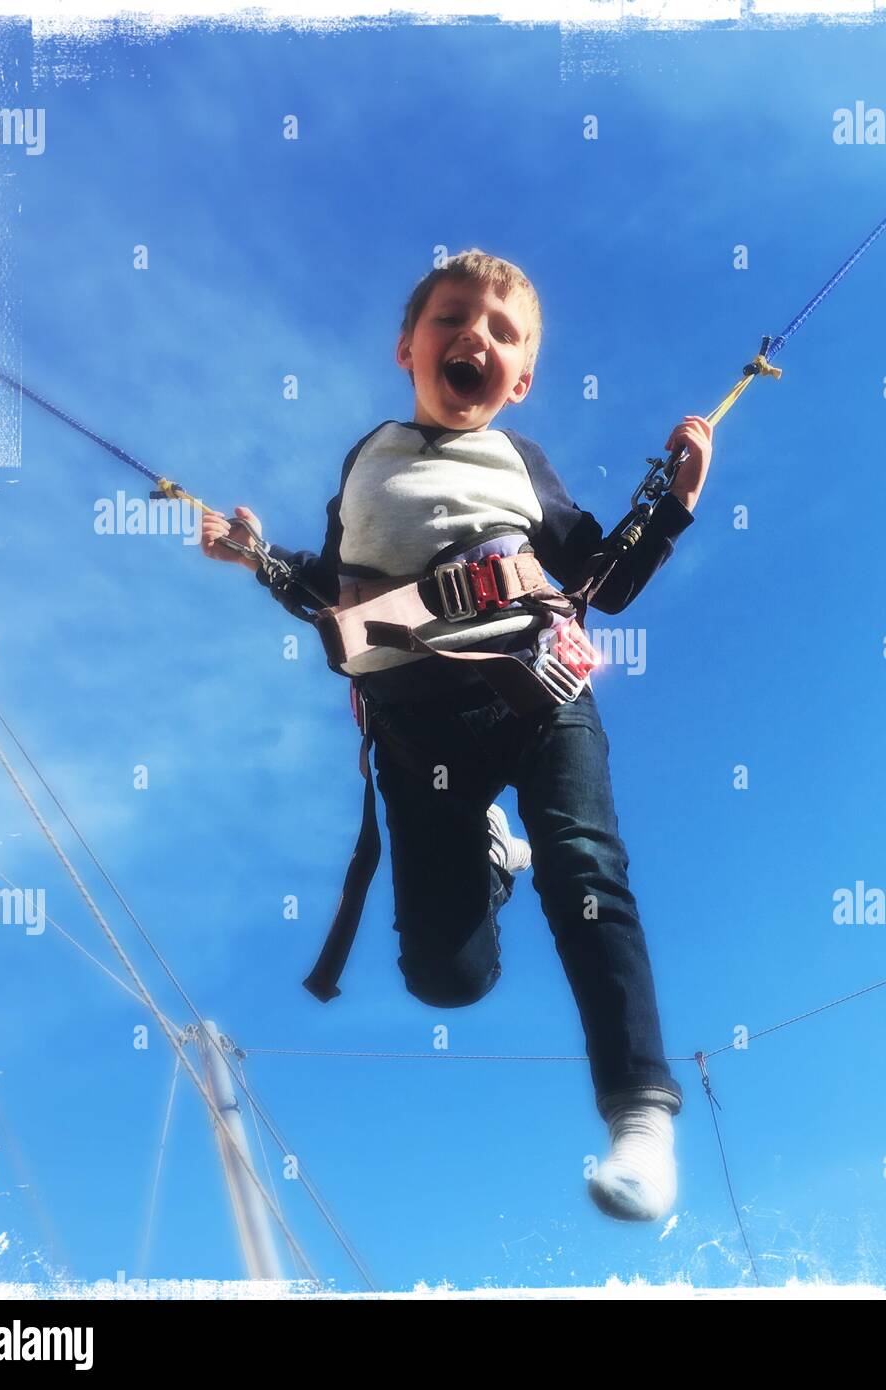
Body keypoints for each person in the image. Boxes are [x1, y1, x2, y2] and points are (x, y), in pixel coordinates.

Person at [201, 250, 713, 1222]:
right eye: (451, 317)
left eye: (502, 330)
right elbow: (336, 597)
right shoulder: (370, 464)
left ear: (519, 379)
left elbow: (603, 571)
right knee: (446, 977)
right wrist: (257, 557)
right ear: (408, 345)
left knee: (585, 865)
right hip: (411, 727)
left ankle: (640, 1116)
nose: (474, 334)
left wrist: (674, 502)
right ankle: (485, 852)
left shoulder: (523, 466)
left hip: (535, 685)